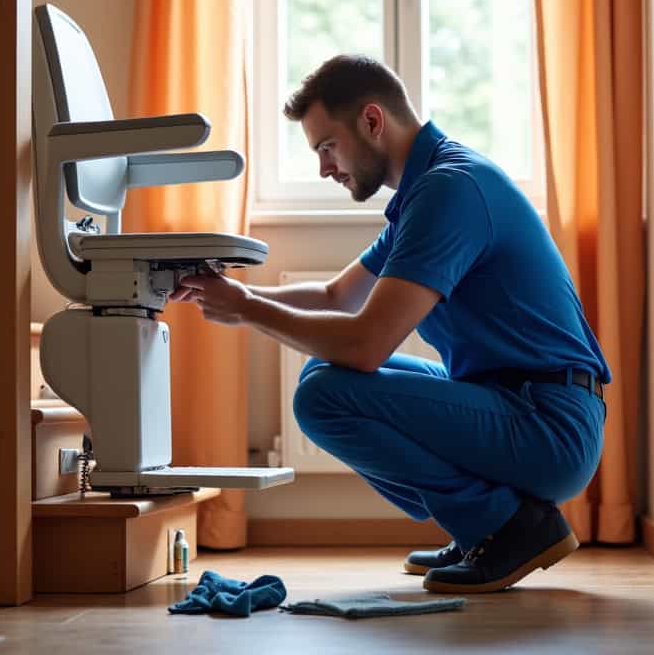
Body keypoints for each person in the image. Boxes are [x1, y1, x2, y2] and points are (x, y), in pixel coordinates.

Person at [171, 55, 609, 593]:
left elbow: (364, 347)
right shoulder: (427, 191)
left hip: (547, 424)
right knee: (317, 378)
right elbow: (337, 296)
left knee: (326, 394)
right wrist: (236, 295)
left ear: (372, 122)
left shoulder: (451, 189)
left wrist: (245, 308)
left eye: (326, 146)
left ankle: (507, 527)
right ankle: (486, 527)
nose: (324, 169)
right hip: (520, 405)